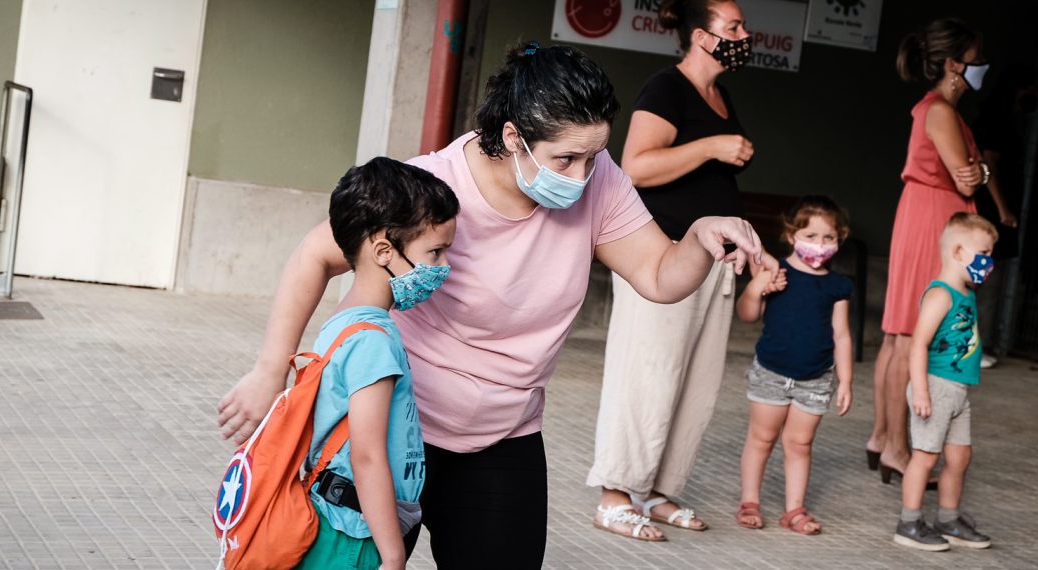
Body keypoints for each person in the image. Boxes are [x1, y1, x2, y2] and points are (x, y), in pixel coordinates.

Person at [217, 43, 767, 567]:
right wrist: (271, 369)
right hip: (390, 429)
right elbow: (315, 254)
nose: (584, 176)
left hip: (503, 437)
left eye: (594, 156)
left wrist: (697, 236)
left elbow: (658, 274)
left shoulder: (598, 182)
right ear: (513, 136)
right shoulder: (430, 187)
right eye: (567, 158)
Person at [585, 0, 773, 542]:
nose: (744, 34)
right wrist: (714, 144)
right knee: (648, 372)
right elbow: (637, 165)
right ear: (701, 35)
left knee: (695, 381)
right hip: (663, 251)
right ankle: (616, 494)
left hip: (713, 257)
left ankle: (657, 490)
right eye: (733, 27)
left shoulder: (721, 93)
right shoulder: (666, 88)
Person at [297, 158, 458, 570]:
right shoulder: (374, 340)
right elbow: (367, 455)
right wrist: (392, 554)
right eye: (435, 252)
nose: (443, 268)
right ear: (384, 250)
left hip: (333, 520)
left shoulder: (342, 320)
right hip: (353, 535)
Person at [867, 18, 991, 483]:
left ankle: (882, 439)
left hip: (925, 214)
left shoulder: (941, 111)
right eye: (977, 59)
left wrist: (981, 173)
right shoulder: (938, 110)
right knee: (907, 334)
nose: (983, 67)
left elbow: (974, 173)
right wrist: (980, 171)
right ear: (955, 64)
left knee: (897, 335)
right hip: (934, 220)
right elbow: (965, 174)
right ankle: (898, 450)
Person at [734, 196, 853, 536]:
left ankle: (794, 509)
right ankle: (749, 501)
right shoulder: (776, 273)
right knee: (761, 438)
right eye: (811, 236)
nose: (820, 245)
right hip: (771, 372)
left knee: (800, 444)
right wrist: (757, 288)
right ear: (791, 235)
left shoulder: (837, 286)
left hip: (815, 380)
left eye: (828, 238)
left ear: (839, 239)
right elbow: (747, 315)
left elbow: (842, 336)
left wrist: (845, 381)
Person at [894, 212, 997, 551]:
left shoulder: (966, 293)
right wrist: (921, 391)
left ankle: (948, 518)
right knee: (924, 456)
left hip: (957, 391)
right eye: (984, 253)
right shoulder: (941, 295)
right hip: (935, 387)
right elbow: (918, 344)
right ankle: (909, 523)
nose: (989, 261)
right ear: (957, 252)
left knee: (960, 457)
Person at [971, 64, 1034, 364]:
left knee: (981, 278)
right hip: (990, 213)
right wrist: (1002, 209)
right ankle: (969, 345)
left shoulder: (1007, 120)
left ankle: (971, 344)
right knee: (977, 278)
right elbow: (988, 165)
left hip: (994, 211)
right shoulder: (996, 122)